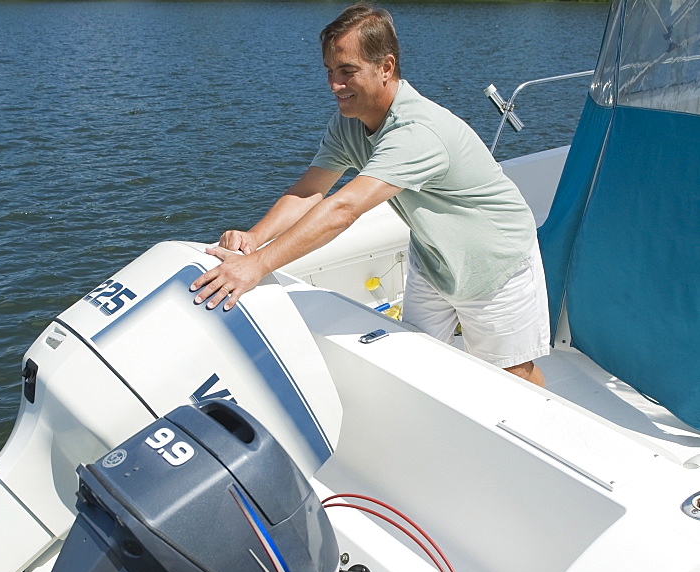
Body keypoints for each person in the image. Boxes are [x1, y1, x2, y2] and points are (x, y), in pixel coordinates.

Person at [190, 2, 550, 386]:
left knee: (512, 376)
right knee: (417, 363)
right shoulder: (351, 120)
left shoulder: (417, 132)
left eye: (347, 72)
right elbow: (311, 190)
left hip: (494, 262)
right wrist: (254, 237)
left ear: (386, 67)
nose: (334, 86)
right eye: (330, 71)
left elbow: (344, 208)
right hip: (435, 260)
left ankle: (548, 433)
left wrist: (257, 266)